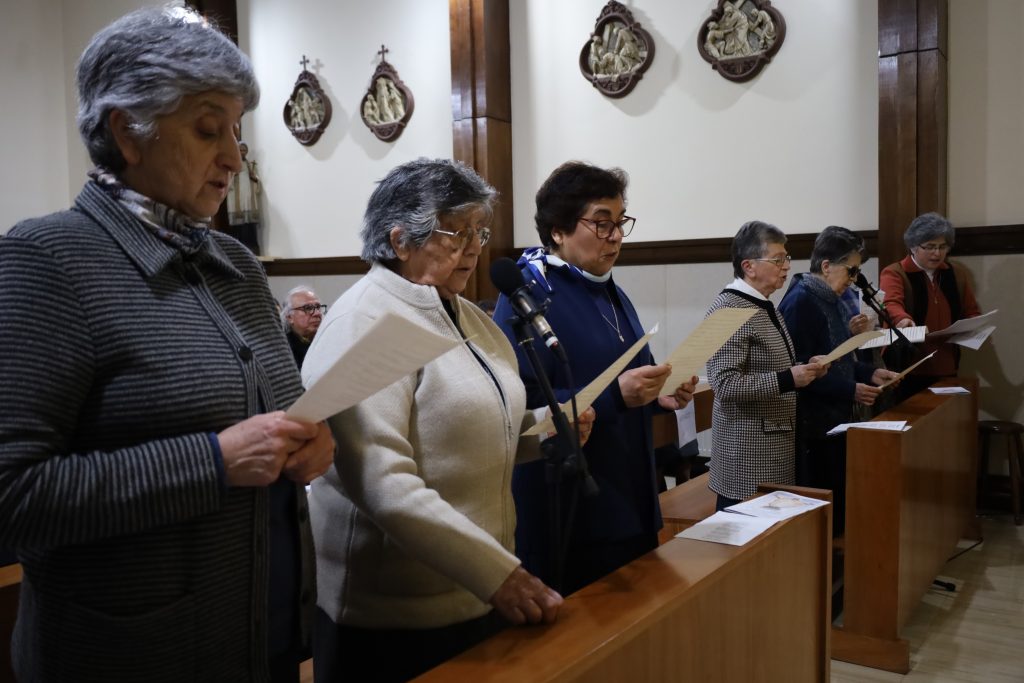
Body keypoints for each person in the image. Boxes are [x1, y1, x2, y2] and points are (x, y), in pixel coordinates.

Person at [0, 8, 335, 682]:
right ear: (128, 131)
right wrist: (211, 462)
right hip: (133, 656)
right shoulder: (47, 260)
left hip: (264, 642)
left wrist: (313, 444)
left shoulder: (237, 266)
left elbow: (278, 416)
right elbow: (12, 496)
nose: (235, 157)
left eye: (236, 130)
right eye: (209, 129)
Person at [302, 158, 593, 683]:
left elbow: (481, 426)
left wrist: (546, 431)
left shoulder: (467, 315)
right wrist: (498, 575)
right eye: (457, 232)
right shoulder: (363, 322)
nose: (475, 248)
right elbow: (382, 482)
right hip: (392, 620)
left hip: (476, 593)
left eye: (480, 232)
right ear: (400, 240)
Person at [492, 161, 696, 596]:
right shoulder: (528, 295)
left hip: (630, 490)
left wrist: (660, 394)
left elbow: (630, 376)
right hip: (574, 506)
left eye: (620, 222)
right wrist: (615, 397)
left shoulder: (610, 290)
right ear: (558, 231)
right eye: (602, 223)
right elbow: (520, 403)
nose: (616, 235)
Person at [778, 226, 900, 533]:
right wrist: (851, 389)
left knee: (841, 505)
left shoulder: (831, 297)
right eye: (852, 270)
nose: (854, 279)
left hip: (836, 416)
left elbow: (838, 357)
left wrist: (869, 373)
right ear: (826, 266)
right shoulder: (801, 301)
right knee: (823, 511)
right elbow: (800, 371)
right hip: (814, 425)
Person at [705, 221, 828, 511]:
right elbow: (724, 384)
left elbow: (768, 366)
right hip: (747, 454)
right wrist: (789, 378)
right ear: (748, 266)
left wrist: (805, 369)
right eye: (777, 260)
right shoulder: (729, 309)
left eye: (786, 258)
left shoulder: (762, 304)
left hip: (773, 445)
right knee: (747, 535)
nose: (786, 266)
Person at [879, 212, 982, 398]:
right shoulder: (895, 272)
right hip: (909, 365)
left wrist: (974, 324)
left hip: (947, 362)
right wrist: (903, 319)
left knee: (945, 413)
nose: (937, 253)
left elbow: (971, 310)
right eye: (930, 247)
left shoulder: (956, 274)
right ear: (913, 247)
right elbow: (891, 303)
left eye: (943, 246)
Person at [282, 284, 326, 367]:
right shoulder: (283, 349)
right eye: (307, 308)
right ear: (290, 317)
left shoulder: (329, 340)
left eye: (318, 307)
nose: (317, 313)